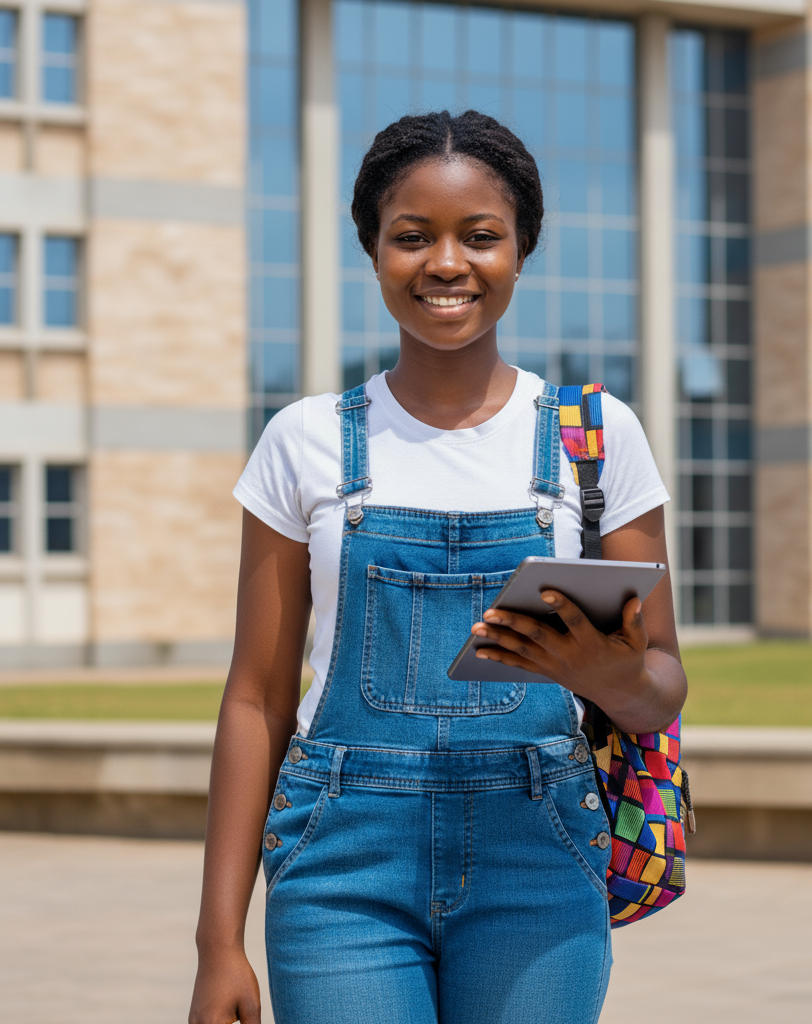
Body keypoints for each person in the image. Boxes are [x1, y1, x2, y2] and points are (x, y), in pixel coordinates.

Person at [188, 109, 686, 1024]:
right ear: (373, 252)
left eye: (480, 236)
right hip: (341, 864)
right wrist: (218, 941)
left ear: (522, 250)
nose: (446, 263)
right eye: (411, 237)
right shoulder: (304, 442)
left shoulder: (597, 437)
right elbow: (255, 697)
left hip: (538, 854)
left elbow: (661, 687)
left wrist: (612, 674)